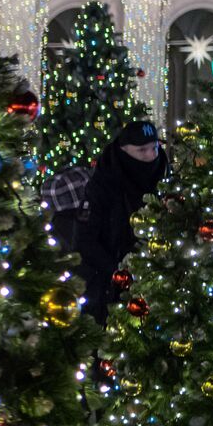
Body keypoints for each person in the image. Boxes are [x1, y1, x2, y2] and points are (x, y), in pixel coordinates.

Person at [58, 121, 166, 325]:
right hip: (111, 284)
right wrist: (120, 272)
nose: (150, 156)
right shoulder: (103, 184)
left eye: (154, 148)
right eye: (141, 150)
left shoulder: (164, 177)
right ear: (124, 151)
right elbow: (85, 241)